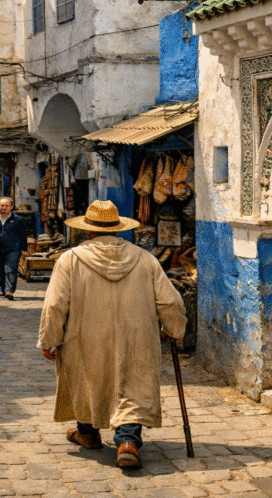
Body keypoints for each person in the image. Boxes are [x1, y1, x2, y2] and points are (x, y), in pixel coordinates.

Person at [37, 200, 187, 469]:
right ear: (118, 230)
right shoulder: (145, 259)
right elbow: (171, 302)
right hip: (136, 338)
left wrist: (49, 339)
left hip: (85, 338)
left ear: (88, 231)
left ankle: (87, 431)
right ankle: (127, 442)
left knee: (87, 379)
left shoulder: (69, 260)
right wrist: (174, 330)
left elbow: (55, 305)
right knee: (131, 382)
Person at [0, 197, 30, 300]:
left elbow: (22, 234)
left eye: (7, 206)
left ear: (11, 207)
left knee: (10, 269)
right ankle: (3, 288)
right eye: (2, 205)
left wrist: (24, 248)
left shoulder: (18, 220)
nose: (4, 208)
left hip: (13, 249)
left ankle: (9, 290)